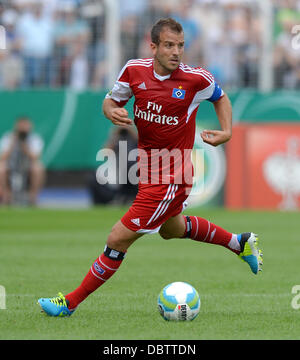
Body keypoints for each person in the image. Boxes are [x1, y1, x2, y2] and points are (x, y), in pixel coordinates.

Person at [37, 18, 263, 317]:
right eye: (169, 45)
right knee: (173, 229)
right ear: (153, 46)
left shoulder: (196, 79)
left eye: (181, 46)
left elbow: (220, 98)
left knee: (117, 237)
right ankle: (239, 243)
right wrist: (111, 111)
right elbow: (110, 100)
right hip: (148, 169)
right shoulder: (134, 70)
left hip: (173, 175)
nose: (176, 52)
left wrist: (227, 131)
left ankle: (69, 303)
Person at [0, 116, 45, 205]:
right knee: (1, 168)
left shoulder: (34, 139)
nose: (23, 129)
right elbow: (3, 157)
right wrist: (12, 144)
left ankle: (33, 197)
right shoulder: (8, 138)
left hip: (27, 166)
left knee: (38, 167)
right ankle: (6, 196)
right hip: (11, 165)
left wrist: (25, 147)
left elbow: (36, 157)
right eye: (21, 126)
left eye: (25, 126)